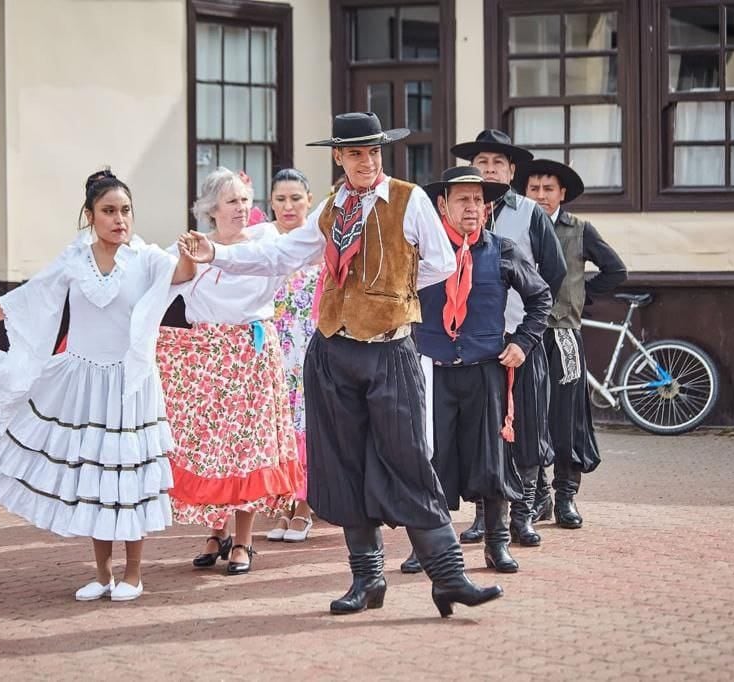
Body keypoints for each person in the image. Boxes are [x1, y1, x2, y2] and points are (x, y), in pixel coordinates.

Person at [187, 112, 504, 618]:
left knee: (408, 461)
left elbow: (441, 263)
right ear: (340, 157)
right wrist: (216, 257)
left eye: (373, 152)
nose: (366, 161)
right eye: (356, 153)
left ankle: (448, 578)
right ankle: (367, 580)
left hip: (390, 349)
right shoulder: (333, 207)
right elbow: (283, 255)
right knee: (345, 464)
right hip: (333, 351)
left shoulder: (408, 198)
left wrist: (391, 294)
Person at [0, 169, 199, 602]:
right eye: (109, 211)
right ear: (90, 215)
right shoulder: (73, 259)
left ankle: (133, 574)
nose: (120, 219)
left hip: (129, 383)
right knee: (94, 478)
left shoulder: (146, 257)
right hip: (83, 381)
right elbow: (28, 297)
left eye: (126, 210)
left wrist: (193, 254)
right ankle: (101, 574)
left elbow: (181, 275)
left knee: (127, 477)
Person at [157, 167, 303, 575]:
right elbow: (151, 280)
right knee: (210, 447)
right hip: (206, 356)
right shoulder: (188, 248)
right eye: (232, 202)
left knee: (248, 449)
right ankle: (214, 530)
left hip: (251, 353)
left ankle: (244, 540)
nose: (242, 208)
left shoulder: (265, 240)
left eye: (244, 200)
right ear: (211, 210)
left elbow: (269, 260)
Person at [413, 166, 551, 574]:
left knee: (492, 460)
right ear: (443, 205)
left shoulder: (503, 250)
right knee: (428, 459)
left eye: (479, 200)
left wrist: (522, 343)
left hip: (485, 370)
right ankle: (429, 546)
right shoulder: (421, 252)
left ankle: (496, 543)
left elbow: (541, 299)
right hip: (432, 371)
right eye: (463, 200)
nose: (473, 207)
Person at [449, 130, 566, 548]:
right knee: (483, 435)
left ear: (512, 171)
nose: (490, 169)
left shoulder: (529, 213)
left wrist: (525, 328)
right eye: (482, 162)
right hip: (476, 346)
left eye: (499, 163)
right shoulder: (457, 213)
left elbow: (551, 274)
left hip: (522, 343)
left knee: (529, 429)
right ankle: (484, 515)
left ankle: (525, 514)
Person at [513, 158, 627, 528]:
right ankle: (539, 497)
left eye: (548, 189)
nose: (541, 195)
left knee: (567, 418)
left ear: (562, 193)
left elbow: (615, 271)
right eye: (534, 189)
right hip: (524, 337)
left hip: (562, 336)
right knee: (529, 418)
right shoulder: (517, 227)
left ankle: (566, 498)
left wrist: (580, 295)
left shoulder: (579, 229)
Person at [266, 168, 319, 543]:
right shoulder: (263, 244)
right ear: (270, 203)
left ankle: (305, 507)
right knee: (280, 429)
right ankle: (285, 503)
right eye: (281, 199)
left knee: (309, 428)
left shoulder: (319, 243)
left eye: (296, 198)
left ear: (309, 202)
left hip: (312, 348)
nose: (288, 206)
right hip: (273, 351)